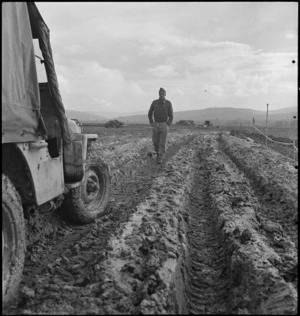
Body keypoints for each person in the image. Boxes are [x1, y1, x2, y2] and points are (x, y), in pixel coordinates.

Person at [148, 87, 173, 164]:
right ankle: (157, 153)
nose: (161, 95)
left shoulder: (168, 103)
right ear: (158, 94)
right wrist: (152, 123)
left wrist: (167, 124)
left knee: (162, 142)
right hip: (156, 124)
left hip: (164, 124)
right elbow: (149, 113)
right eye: (160, 93)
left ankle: (160, 157)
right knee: (155, 141)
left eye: (163, 93)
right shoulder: (154, 102)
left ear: (165, 94)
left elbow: (171, 116)